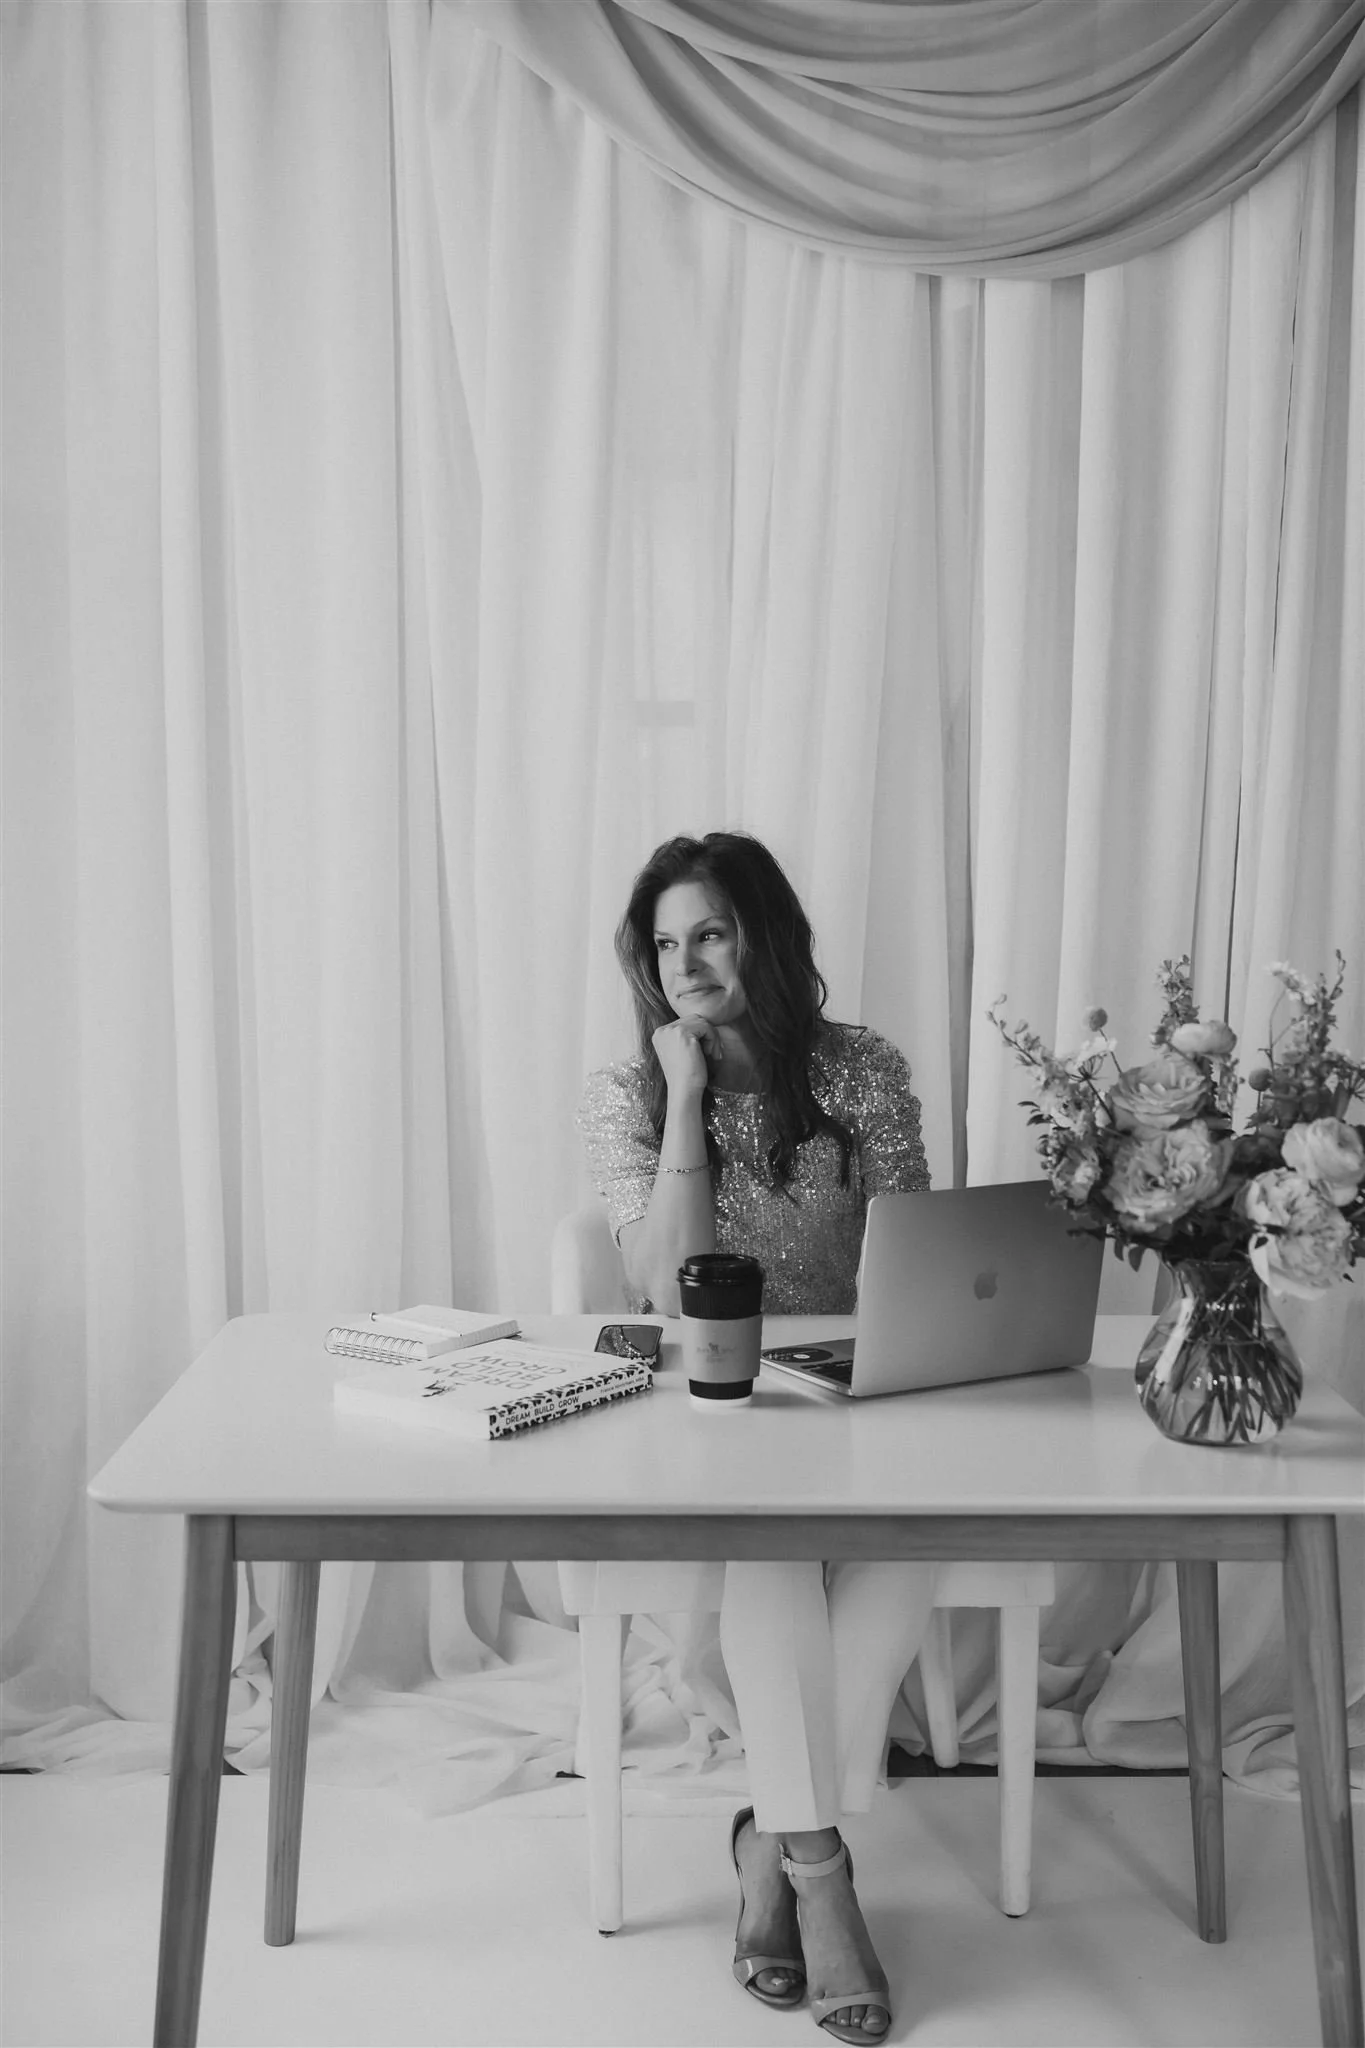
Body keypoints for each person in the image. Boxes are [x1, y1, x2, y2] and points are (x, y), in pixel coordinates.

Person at [577, 831, 941, 2044]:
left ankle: (766, 1843)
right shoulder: (633, 1090)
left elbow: (920, 1258)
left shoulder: (863, 1069)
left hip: (856, 1394)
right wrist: (688, 1094)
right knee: (782, 1550)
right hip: (711, 1406)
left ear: (764, 934)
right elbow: (669, 1287)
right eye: (664, 943)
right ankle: (822, 1873)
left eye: (711, 932)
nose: (684, 962)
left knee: (922, 1534)